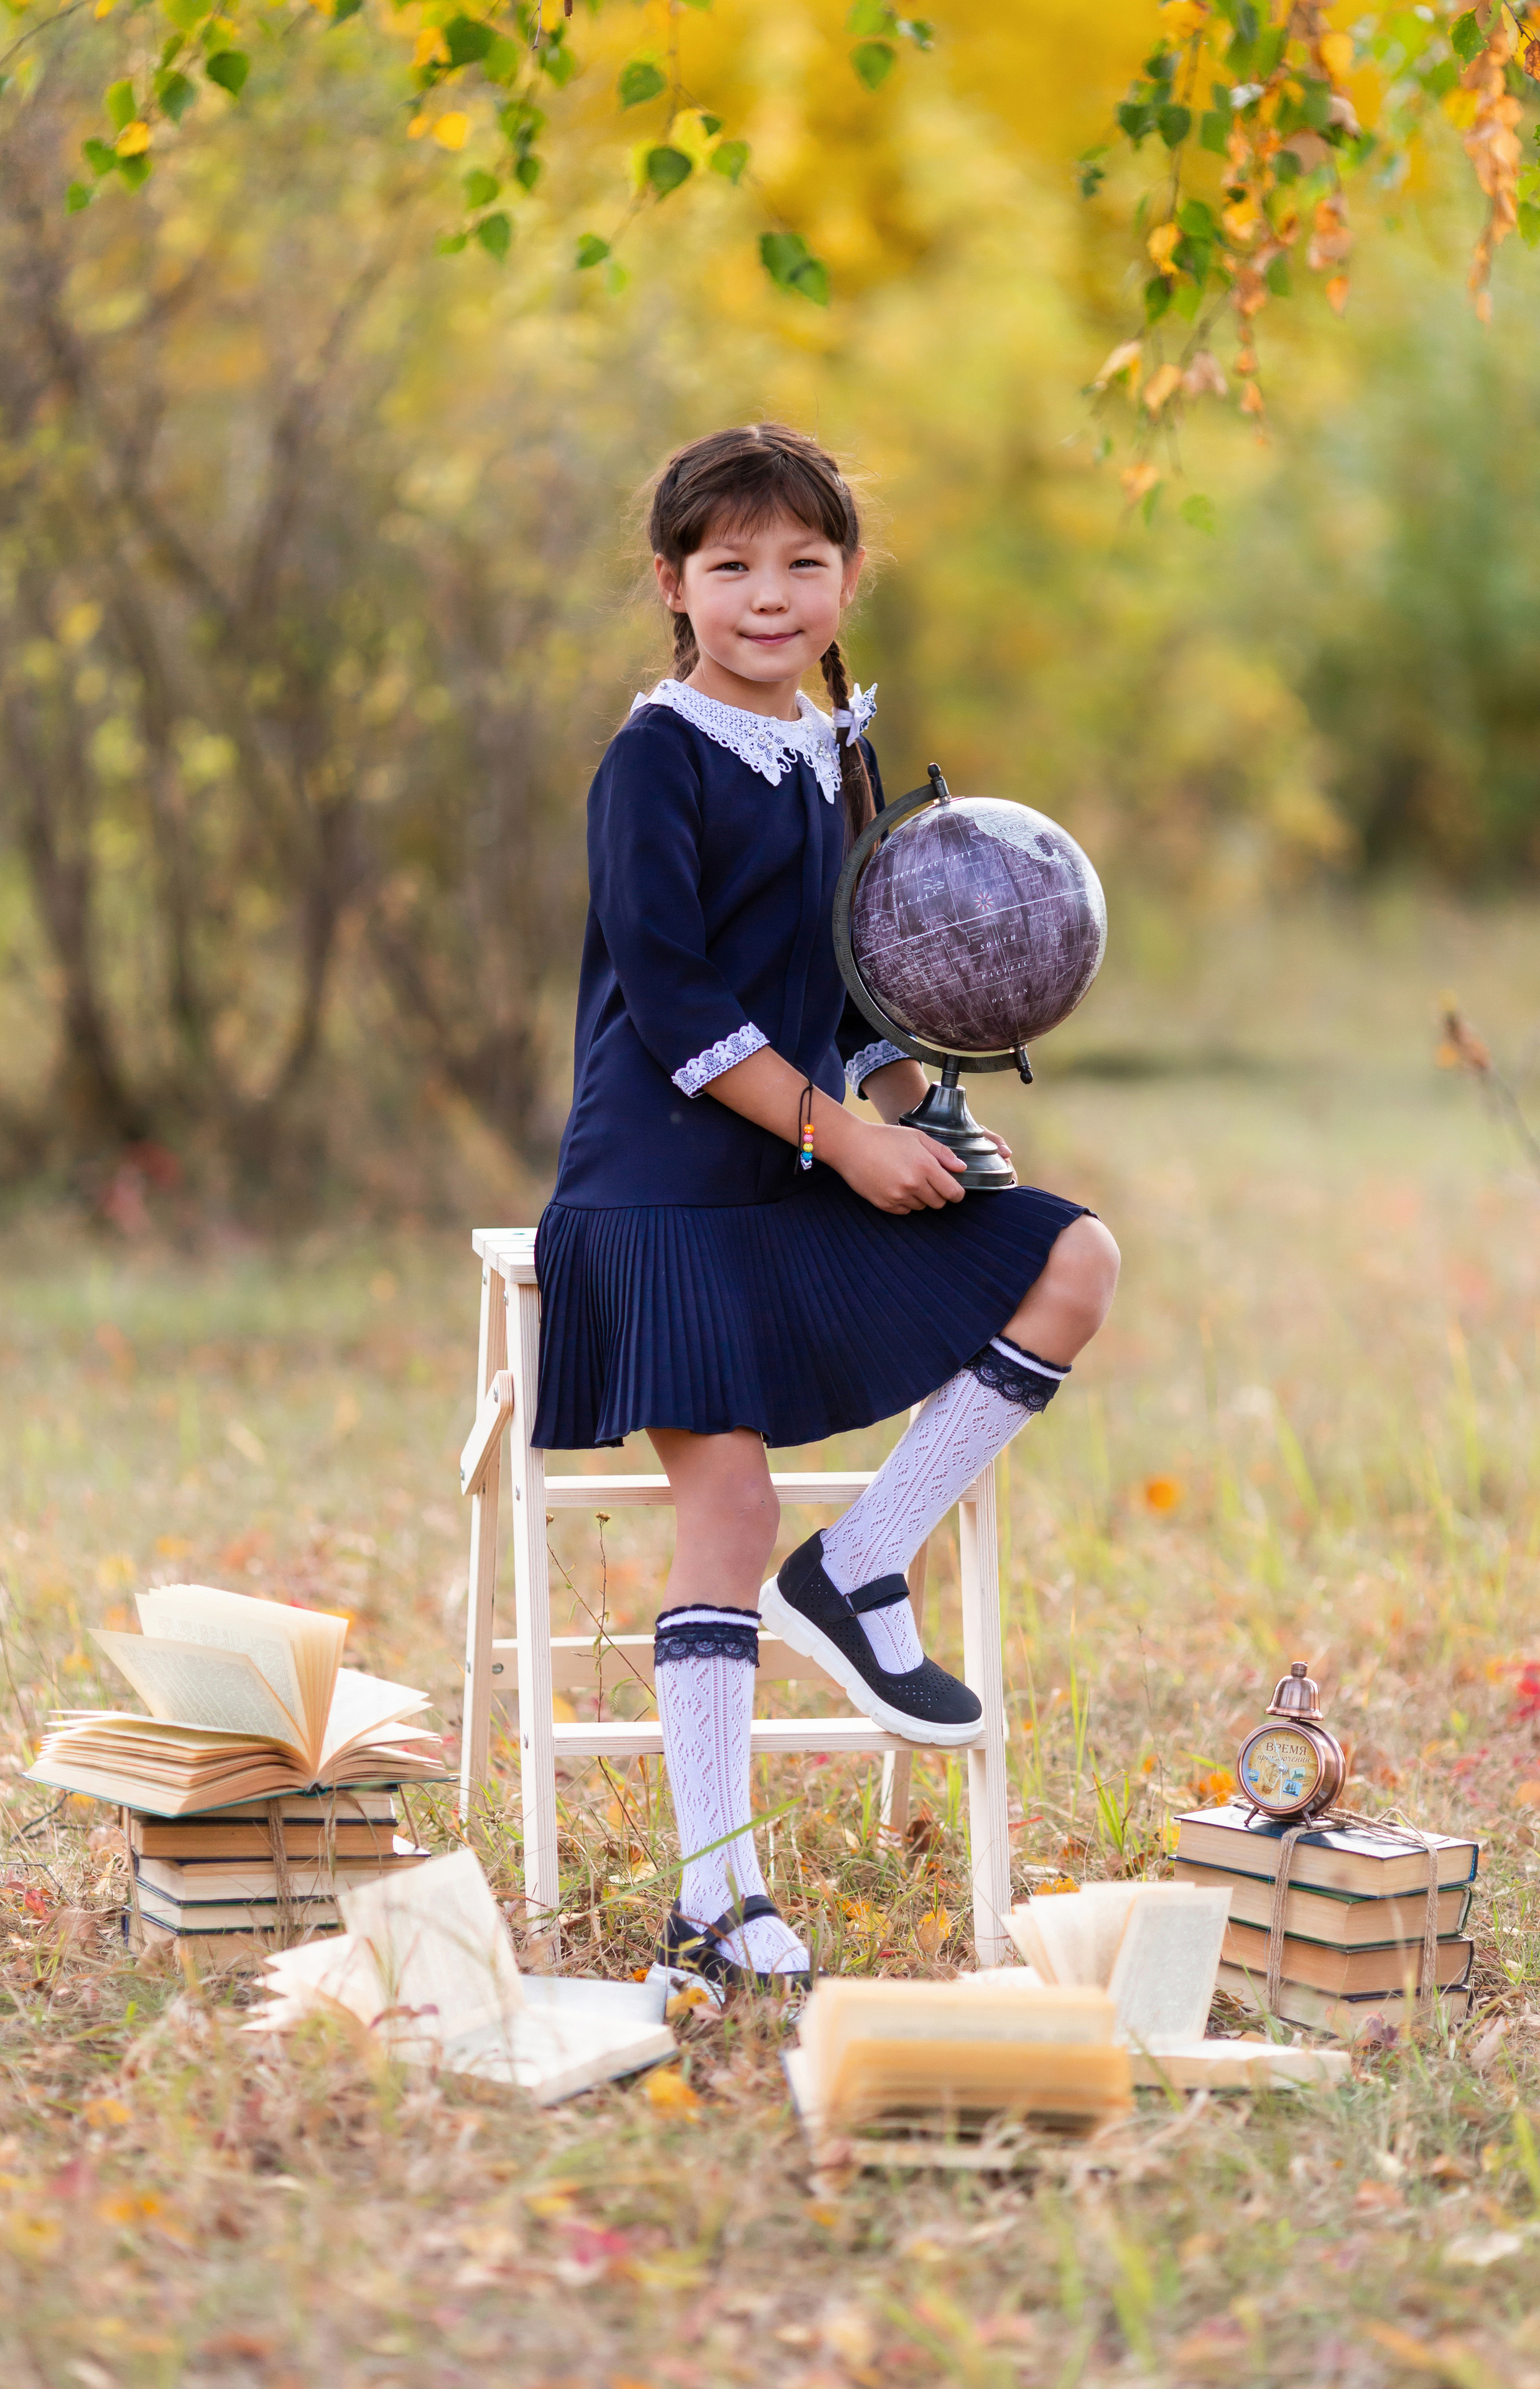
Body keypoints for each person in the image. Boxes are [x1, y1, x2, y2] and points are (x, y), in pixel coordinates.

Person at [534, 424, 1120, 1988]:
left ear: (848, 576)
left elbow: (850, 989)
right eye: (730, 566)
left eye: (802, 563)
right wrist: (830, 1135)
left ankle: (860, 1562)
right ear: (673, 585)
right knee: (720, 1509)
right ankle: (714, 1896)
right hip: (659, 1191)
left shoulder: (833, 756)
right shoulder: (653, 755)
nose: (769, 594)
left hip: (800, 1171)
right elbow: (667, 994)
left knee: (1070, 1254)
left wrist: (898, 1102)